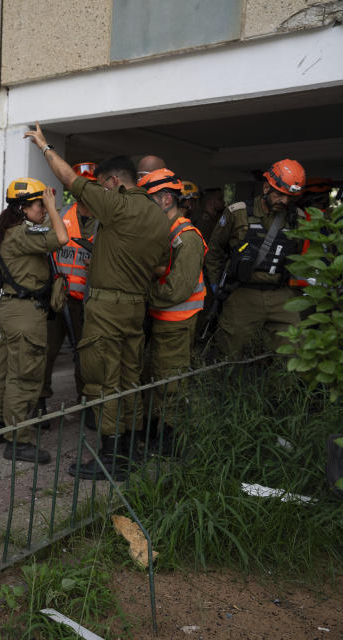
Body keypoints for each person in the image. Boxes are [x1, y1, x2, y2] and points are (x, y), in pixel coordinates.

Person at [25, 123, 171, 481]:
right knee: (129, 380)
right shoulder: (158, 216)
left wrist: (44, 146)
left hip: (107, 309)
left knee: (103, 382)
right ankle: (130, 450)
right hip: (136, 307)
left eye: (102, 184)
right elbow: (157, 265)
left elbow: (70, 178)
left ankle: (110, 458)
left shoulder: (118, 205)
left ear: (112, 182)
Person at [0, 177, 68, 462]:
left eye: (45, 205)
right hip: (24, 313)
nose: (43, 210)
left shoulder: (7, 231)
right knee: (26, 375)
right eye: (39, 205)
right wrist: (56, 208)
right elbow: (61, 238)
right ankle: (19, 441)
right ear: (21, 208)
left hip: (10, 309)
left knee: (7, 369)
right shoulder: (21, 234)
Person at [204, 159, 306, 357]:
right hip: (242, 293)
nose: (284, 201)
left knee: (295, 351)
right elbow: (214, 251)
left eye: (289, 197)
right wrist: (217, 286)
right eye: (280, 194)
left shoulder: (298, 218)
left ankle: (284, 388)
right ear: (267, 186)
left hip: (281, 294)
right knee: (230, 352)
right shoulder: (238, 213)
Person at [139, 169, 206, 455]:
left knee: (172, 385)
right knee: (156, 379)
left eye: (148, 201)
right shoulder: (165, 232)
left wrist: (144, 295)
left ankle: (170, 443)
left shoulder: (186, 237)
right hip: (162, 320)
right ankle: (153, 434)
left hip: (177, 322)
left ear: (166, 200)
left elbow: (177, 289)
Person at [41, 162, 97, 413]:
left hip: (86, 302)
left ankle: (85, 402)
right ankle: (39, 401)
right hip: (58, 297)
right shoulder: (60, 214)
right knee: (45, 351)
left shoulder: (105, 221)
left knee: (85, 356)